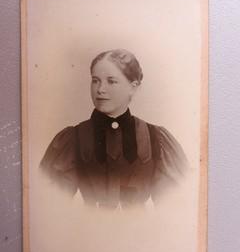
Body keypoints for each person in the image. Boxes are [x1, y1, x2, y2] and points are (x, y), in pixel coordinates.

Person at [40, 49, 188, 209]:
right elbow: (50, 203)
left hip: (141, 231)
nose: (100, 89)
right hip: (89, 229)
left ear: (133, 87)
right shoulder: (73, 138)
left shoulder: (155, 138)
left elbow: (175, 206)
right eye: (95, 80)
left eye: (111, 81)